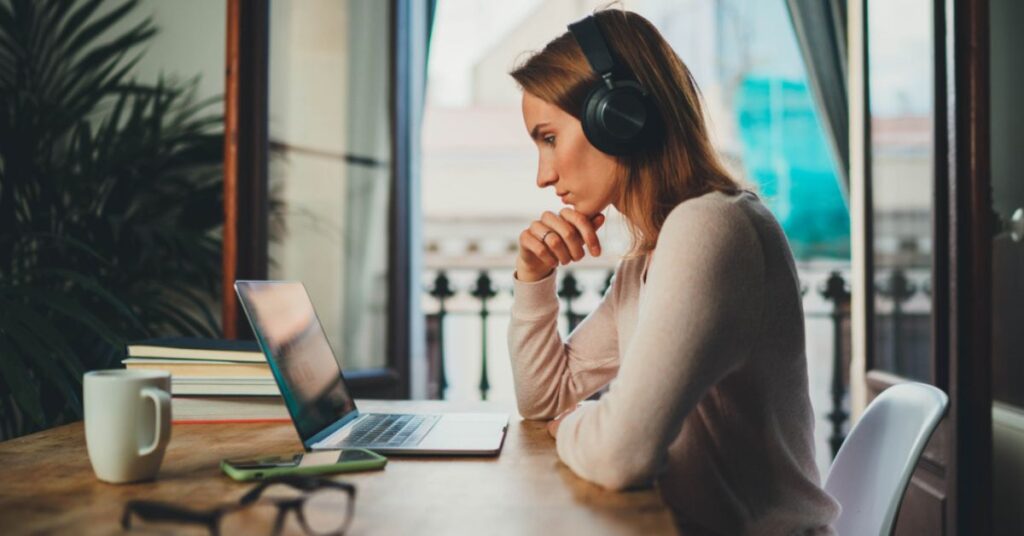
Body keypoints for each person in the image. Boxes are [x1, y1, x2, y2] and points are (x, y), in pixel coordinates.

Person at [506, 9, 840, 535]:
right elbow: (544, 397)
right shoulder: (651, 258)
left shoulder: (713, 226)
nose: (544, 176)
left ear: (618, 116)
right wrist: (533, 277)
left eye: (549, 138)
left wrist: (573, 426)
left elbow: (620, 454)